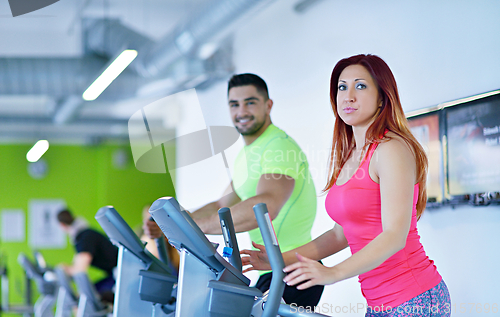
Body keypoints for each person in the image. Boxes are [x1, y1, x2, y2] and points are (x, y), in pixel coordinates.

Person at [241, 55, 451, 316]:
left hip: (415, 297)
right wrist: (279, 259)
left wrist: (333, 273)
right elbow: (339, 234)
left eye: (360, 86)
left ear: (382, 98)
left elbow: (395, 235)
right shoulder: (352, 155)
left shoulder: (392, 148)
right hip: (381, 303)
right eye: (342, 87)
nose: (348, 96)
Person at [144, 73, 324, 308]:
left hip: (295, 269)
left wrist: (193, 228)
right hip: (271, 269)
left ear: (268, 105)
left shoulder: (278, 147)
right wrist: (174, 221)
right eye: (234, 104)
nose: (242, 111)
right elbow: (222, 206)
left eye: (250, 102)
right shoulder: (247, 154)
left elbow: (267, 205)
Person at [57, 209, 118, 302]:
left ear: (62, 225)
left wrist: (64, 270)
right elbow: (77, 264)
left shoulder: (84, 237)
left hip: (119, 275)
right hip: (113, 274)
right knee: (85, 297)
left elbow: (80, 269)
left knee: (87, 299)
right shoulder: (83, 235)